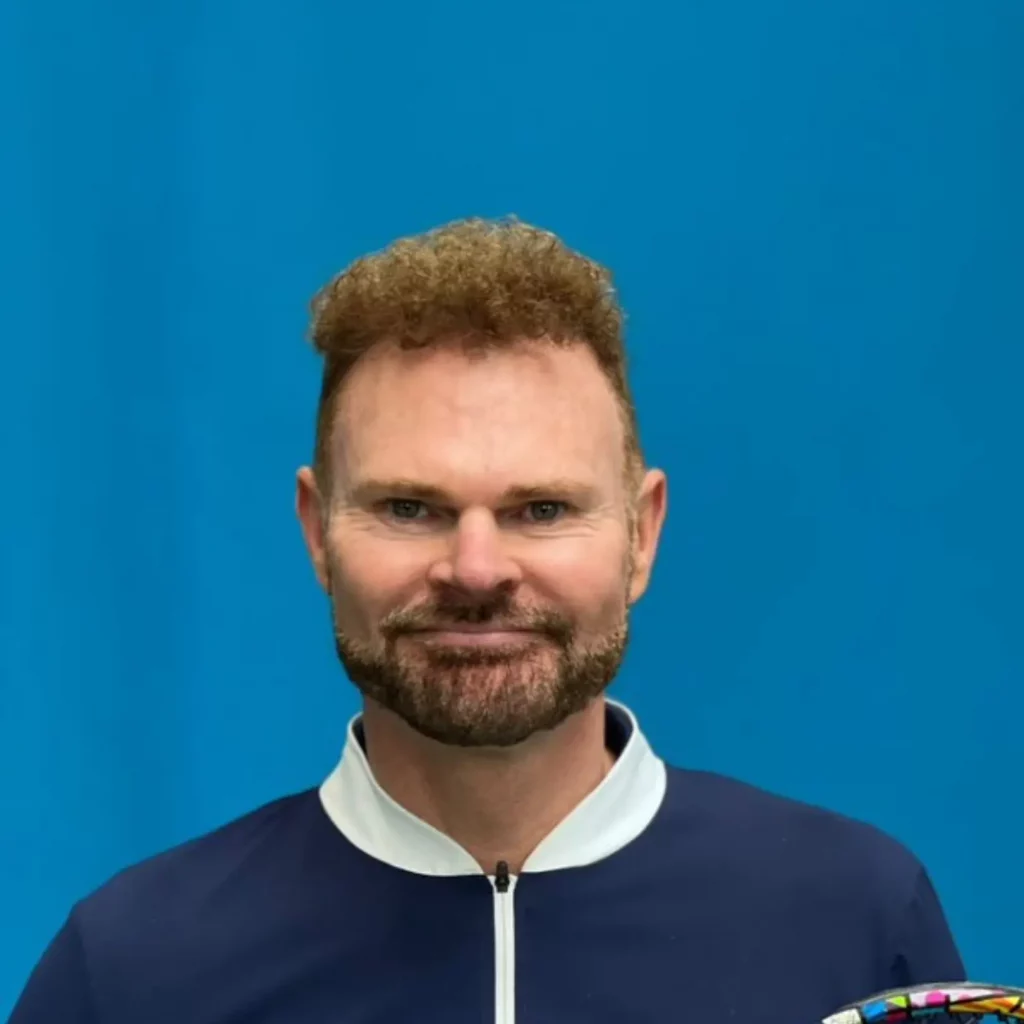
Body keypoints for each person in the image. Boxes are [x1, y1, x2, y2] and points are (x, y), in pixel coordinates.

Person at [10, 219, 965, 1024]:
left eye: (541, 510)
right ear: (316, 531)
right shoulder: (134, 970)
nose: (475, 570)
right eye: (409, 508)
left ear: (641, 534)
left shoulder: (858, 925)